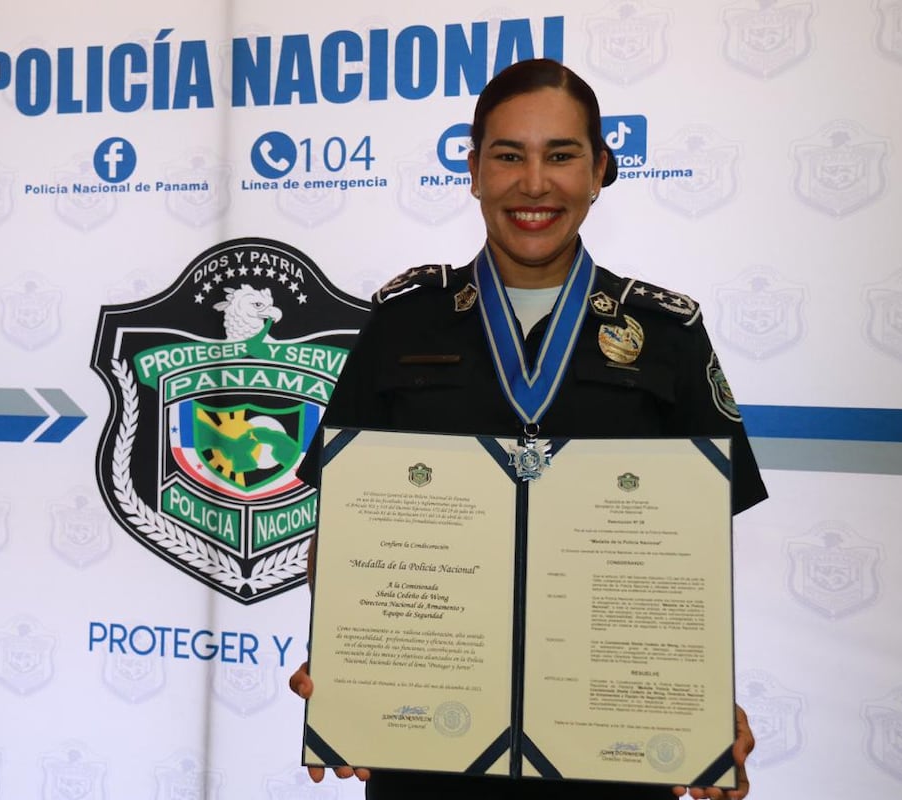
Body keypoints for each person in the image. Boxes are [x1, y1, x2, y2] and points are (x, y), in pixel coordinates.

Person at [289, 58, 767, 800]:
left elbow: (690, 560)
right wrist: (348, 668)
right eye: (509, 156)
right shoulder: (400, 323)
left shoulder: (668, 336)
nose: (535, 184)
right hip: (427, 760)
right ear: (474, 171)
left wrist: (698, 705)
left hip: (609, 761)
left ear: (599, 170)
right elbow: (346, 531)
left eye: (561, 156)